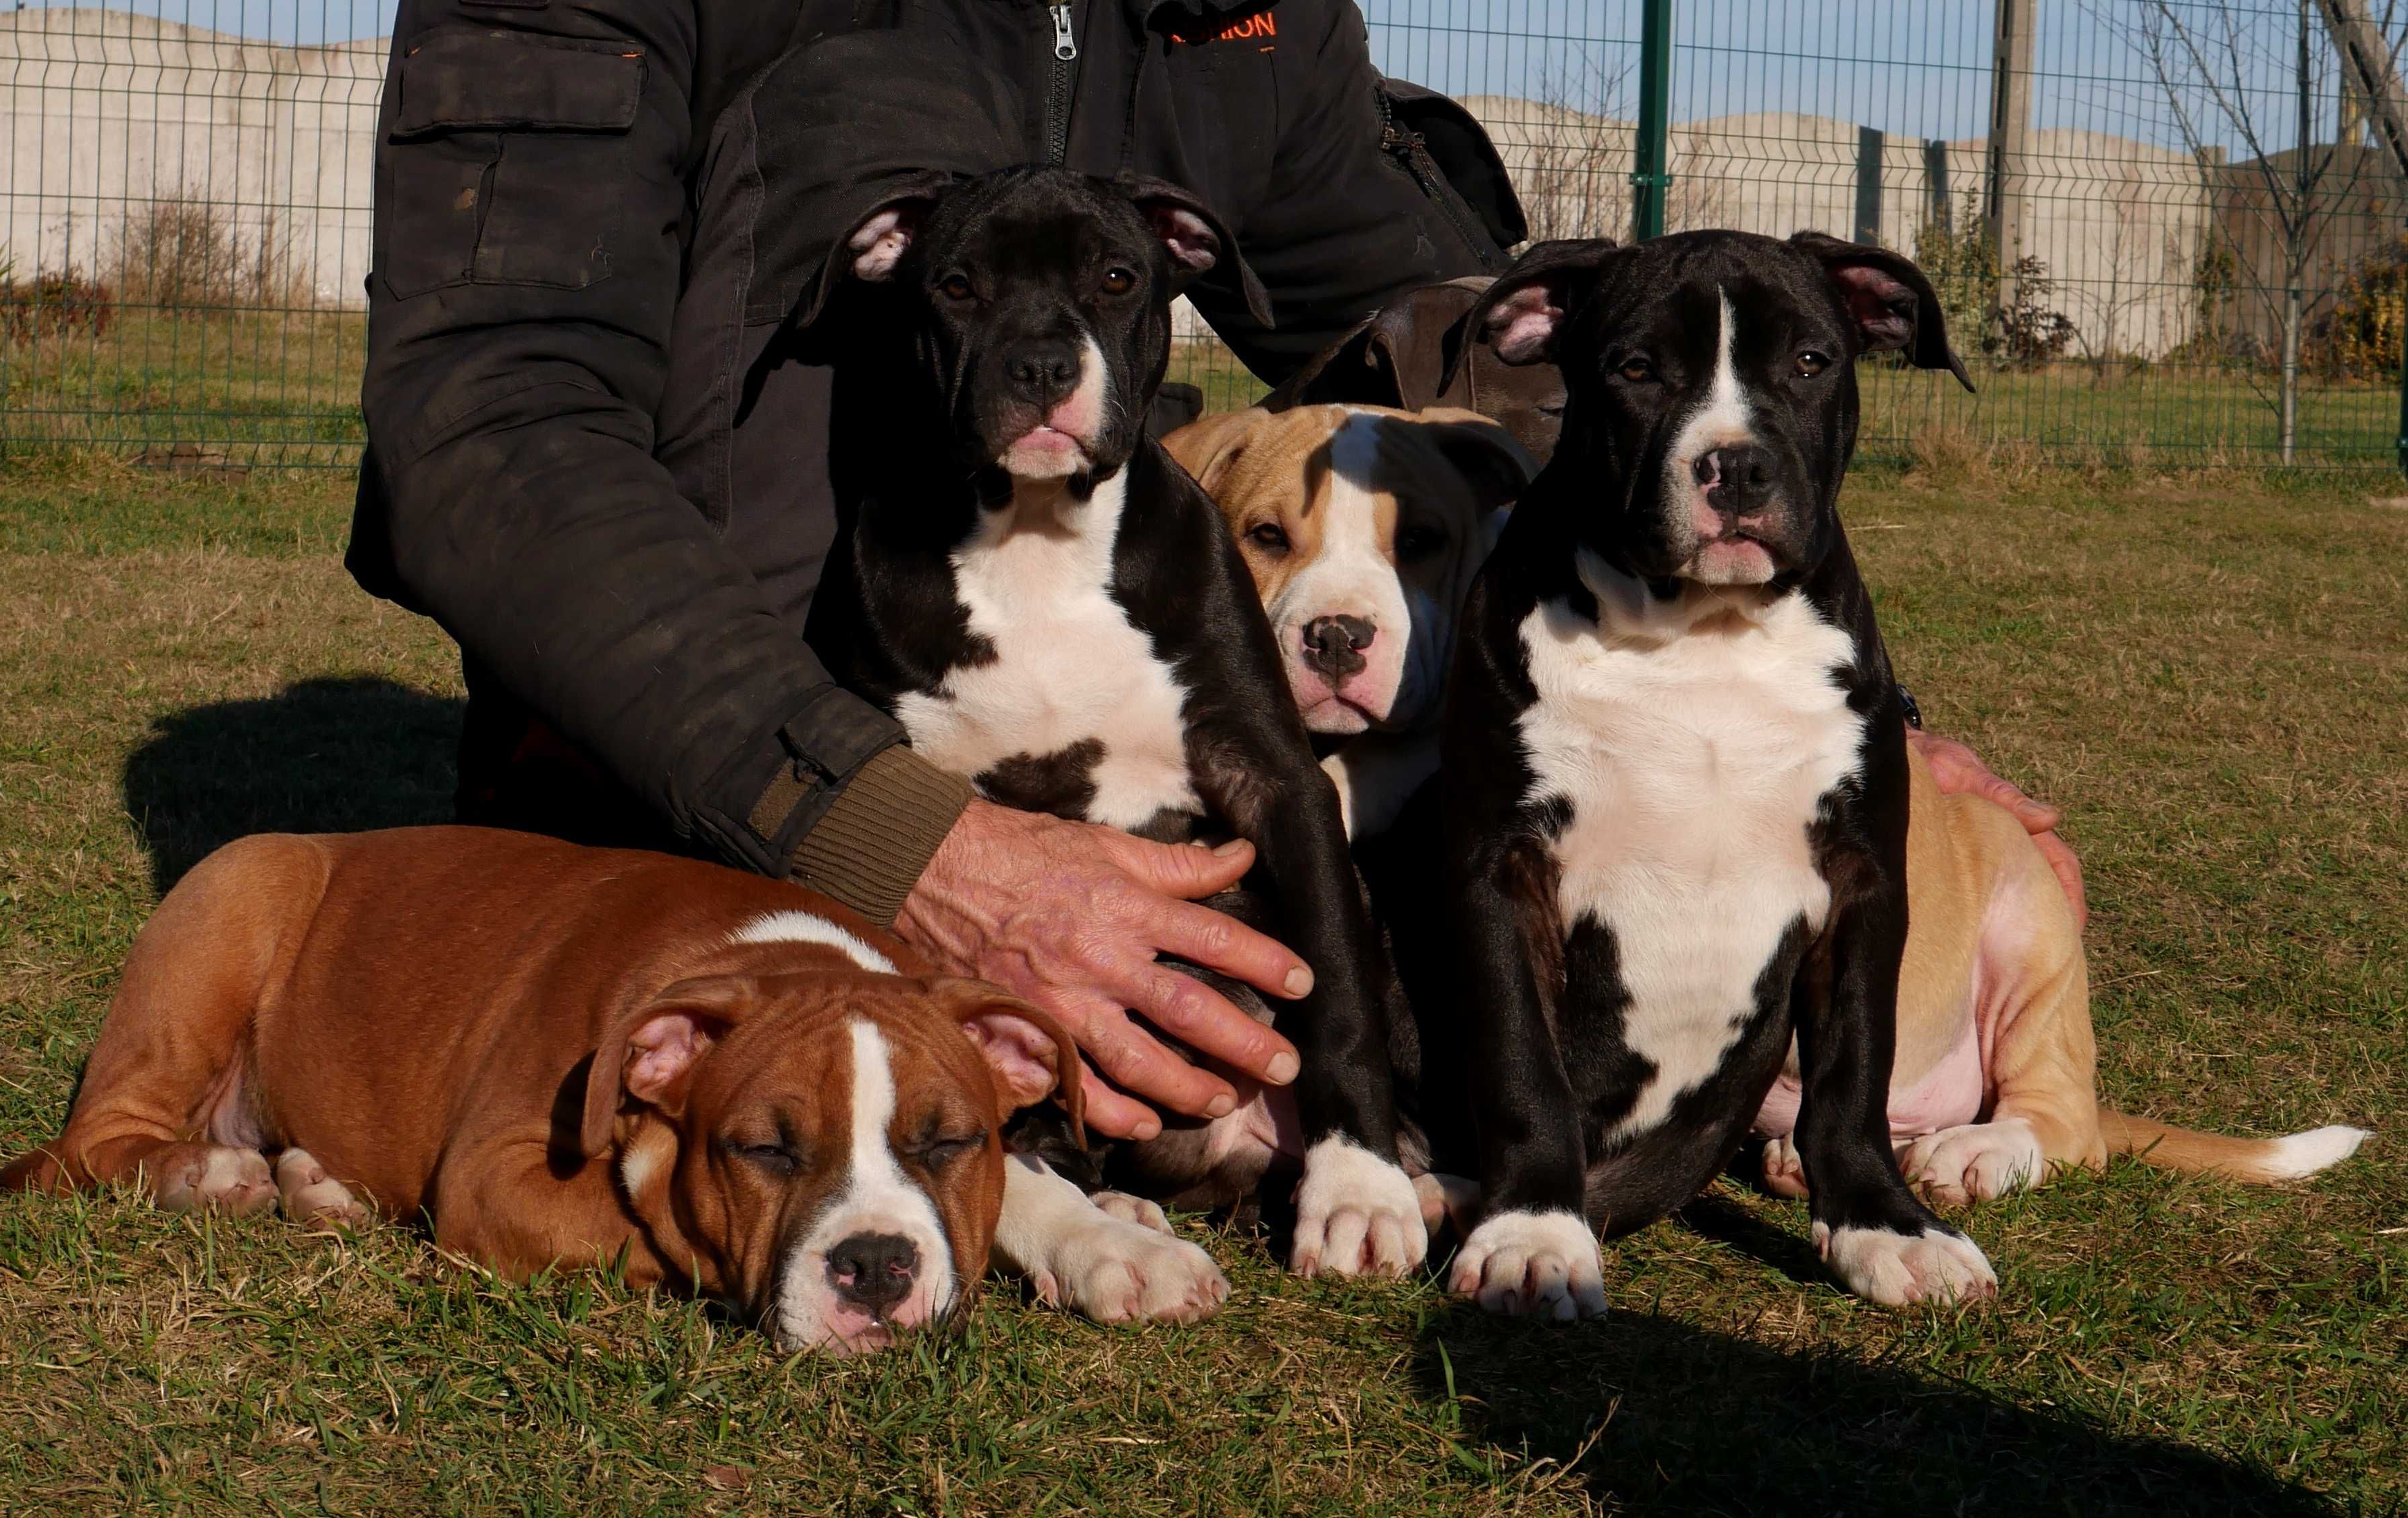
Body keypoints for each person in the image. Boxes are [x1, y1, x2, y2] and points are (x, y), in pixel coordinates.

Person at [351, 0, 2084, 1144]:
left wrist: (1829, 713)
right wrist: (898, 831)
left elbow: (1474, 343)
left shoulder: (1237, 13)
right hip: (717, 805)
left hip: (1141, 806)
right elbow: (489, 427)